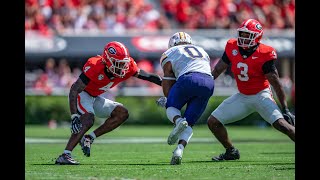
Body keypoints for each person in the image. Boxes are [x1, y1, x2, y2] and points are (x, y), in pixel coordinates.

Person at [55, 41, 162, 165]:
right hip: (82, 94)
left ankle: (89, 138)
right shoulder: (95, 65)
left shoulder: (128, 67)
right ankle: (65, 155)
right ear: (108, 60)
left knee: (122, 113)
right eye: (118, 64)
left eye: (124, 64)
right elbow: (74, 89)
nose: (122, 68)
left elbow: (149, 76)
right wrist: (74, 116)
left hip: (95, 97)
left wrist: (167, 83)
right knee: (88, 120)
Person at [207, 19, 295, 161]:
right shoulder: (231, 46)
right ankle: (231, 151)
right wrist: (203, 83)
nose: (243, 37)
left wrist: (285, 108)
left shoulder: (265, 53)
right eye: (242, 34)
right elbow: (217, 70)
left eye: (247, 35)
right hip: (242, 96)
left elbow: (276, 83)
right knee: (213, 121)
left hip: (261, 95)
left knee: (283, 126)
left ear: (257, 36)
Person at [157, 32, 215, 165]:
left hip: (188, 78)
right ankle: (179, 150)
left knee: (171, 107)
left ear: (172, 43)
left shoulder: (170, 52)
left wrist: (168, 99)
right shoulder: (202, 51)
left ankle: (178, 121)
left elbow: (168, 77)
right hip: (209, 82)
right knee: (190, 122)